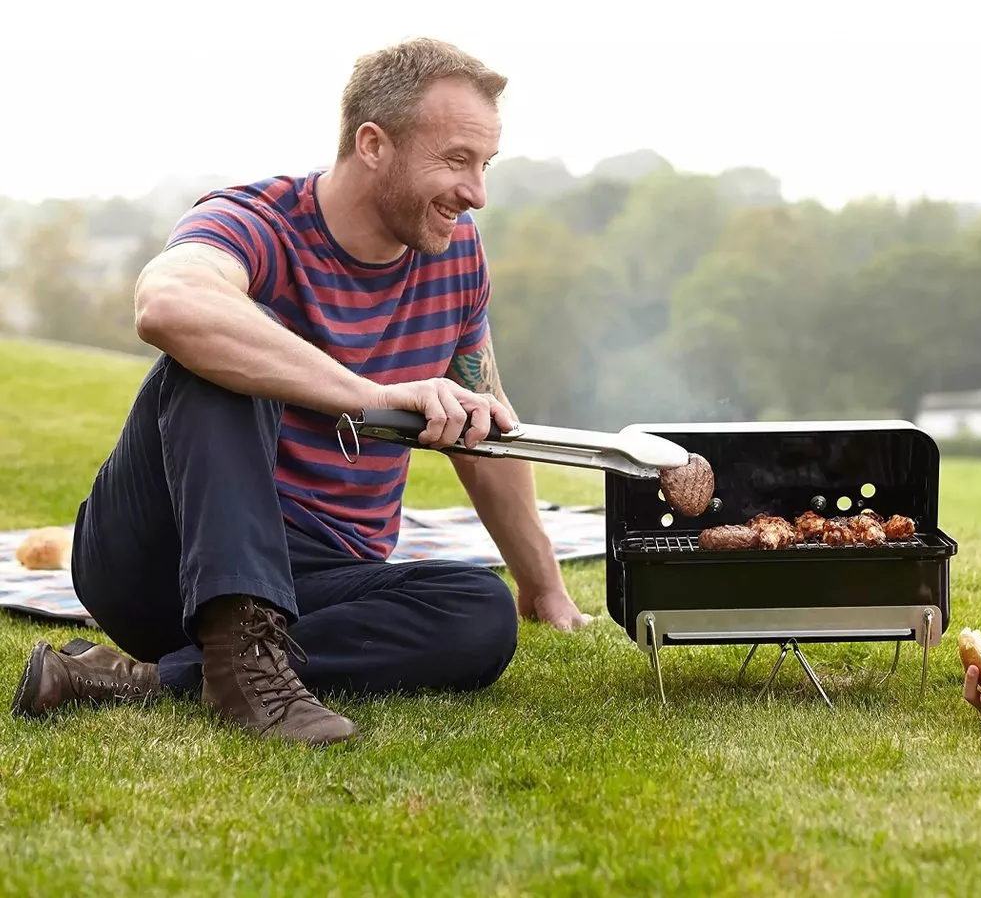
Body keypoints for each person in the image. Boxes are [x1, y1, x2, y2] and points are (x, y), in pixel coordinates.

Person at [10, 37, 593, 748]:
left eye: (484, 165)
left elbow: (484, 431)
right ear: (373, 143)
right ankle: (236, 644)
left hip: (311, 576)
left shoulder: (456, 255)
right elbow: (169, 303)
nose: (476, 192)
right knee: (223, 344)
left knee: (479, 611)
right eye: (455, 161)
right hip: (160, 560)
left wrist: (543, 588)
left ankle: (154, 678)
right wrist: (364, 393)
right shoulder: (260, 220)